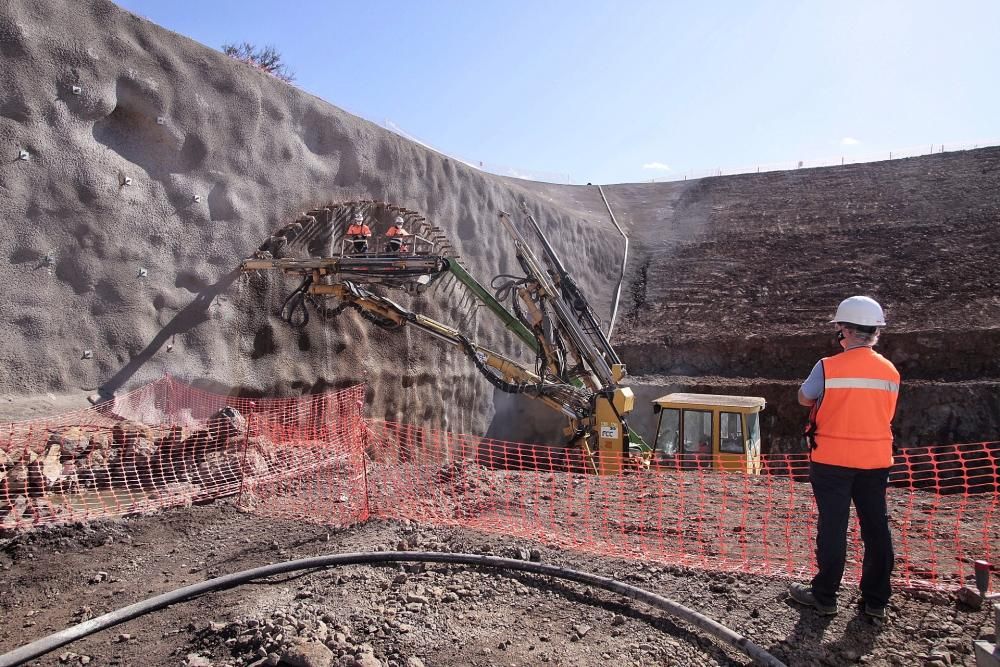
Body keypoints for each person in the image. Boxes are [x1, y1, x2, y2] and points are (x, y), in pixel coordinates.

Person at [789, 296, 900, 620]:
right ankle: (876, 600)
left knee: (834, 527)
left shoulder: (828, 366)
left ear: (846, 331)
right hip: (876, 460)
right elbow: (886, 413)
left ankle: (825, 597)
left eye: (840, 327)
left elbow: (803, 398)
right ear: (875, 332)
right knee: (877, 527)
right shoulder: (890, 371)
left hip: (832, 461)